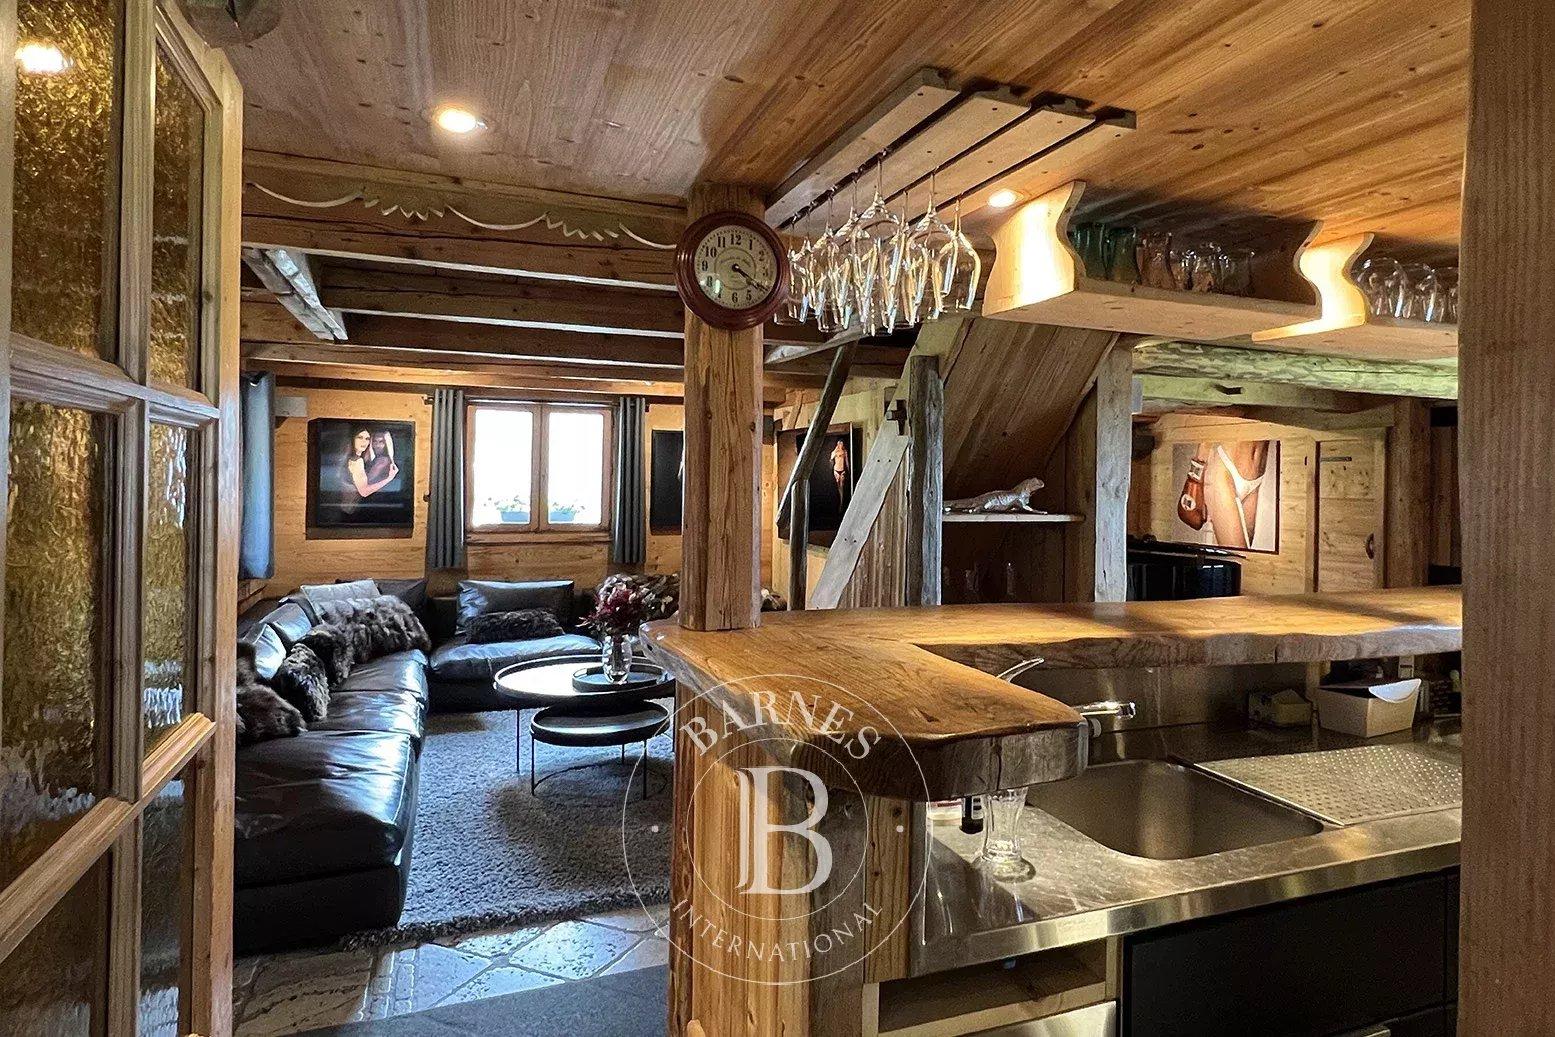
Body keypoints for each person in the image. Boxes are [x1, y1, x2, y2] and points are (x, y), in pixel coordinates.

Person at [342, 428, 400, 499]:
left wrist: (389, 478)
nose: (377, 445)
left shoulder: (382, 461)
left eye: (381, 442)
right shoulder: (358, 459)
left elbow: (365, 490)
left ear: (387, 444)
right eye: (375, 441)